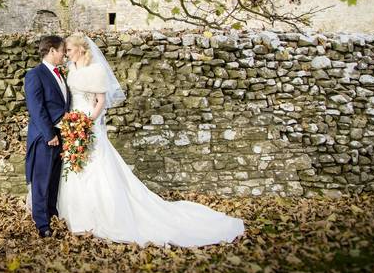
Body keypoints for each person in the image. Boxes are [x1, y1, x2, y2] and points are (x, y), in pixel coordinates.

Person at [57, 33, 245, 246]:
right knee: (75, 167)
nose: (66, 54)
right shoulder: (71, 70)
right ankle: (78, 215)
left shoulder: (96, 70)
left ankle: (105, 216)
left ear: (81, 49)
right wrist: (72, 123)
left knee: (97, 167)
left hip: (88, 124)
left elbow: (100, 101)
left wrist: (87, 123)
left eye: (70, 50)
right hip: (73, 122)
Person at [24, 34, 70, 238]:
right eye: (62, 51)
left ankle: (52, 213)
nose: (64, 55)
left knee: (54, 179)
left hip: (63, 135)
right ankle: (42, 224)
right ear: (51, 50)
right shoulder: (35, 74)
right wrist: (50, 133)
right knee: (41, 180)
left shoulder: (61, 75)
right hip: (46, 137)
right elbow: (36, 108)